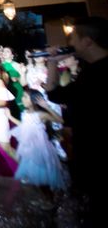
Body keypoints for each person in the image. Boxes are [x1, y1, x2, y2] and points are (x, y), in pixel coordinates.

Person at [47, 16, 108, 226]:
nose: (70, 43)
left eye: (73, 38)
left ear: (88, 41)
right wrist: (52, 63)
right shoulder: (87, 71)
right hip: (88, 154)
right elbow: (55, 95)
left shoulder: (96, 74)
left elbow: (54, 94)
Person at [11, 89, 67, 197]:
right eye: (23, 96)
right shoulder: (24, 113)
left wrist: (47, 107)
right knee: (35, 174)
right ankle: (46, 196)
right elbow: (24, 126)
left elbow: (60, 120)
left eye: (25, 97)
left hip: (40, 148)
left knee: (42, 175)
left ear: (33, 100)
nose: (22, 98)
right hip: (29, 148)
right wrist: (10, 117)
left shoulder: (40, 115)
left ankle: (49, 198)